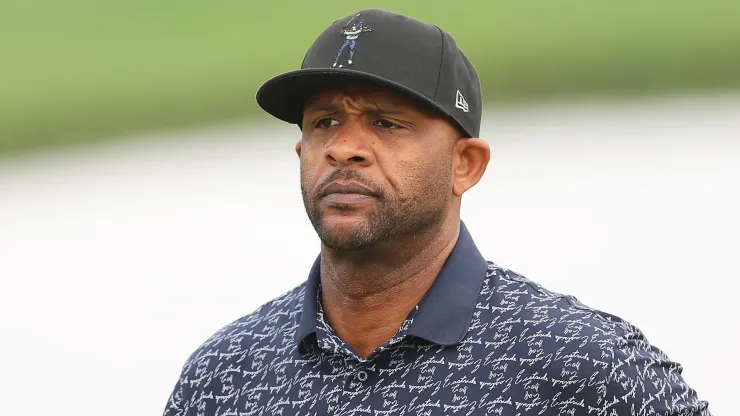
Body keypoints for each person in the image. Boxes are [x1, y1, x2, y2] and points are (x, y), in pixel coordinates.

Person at [162, 9, 711, 416]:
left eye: (386, 123)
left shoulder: (581, 366)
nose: (344, 148)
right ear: (301, 151)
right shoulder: (225, 375)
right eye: (324, 122)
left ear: (465, 166)